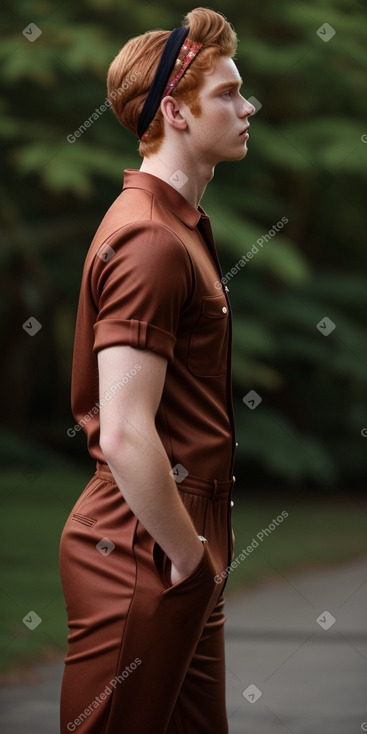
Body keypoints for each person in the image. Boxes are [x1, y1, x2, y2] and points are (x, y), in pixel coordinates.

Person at [59, 7, 255, 733]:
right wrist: (187, 560)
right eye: (229, 94)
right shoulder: (148, 239)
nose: (246, 108)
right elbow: (124, 432)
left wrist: (197, 563)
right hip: (142, 551)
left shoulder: (177, 227)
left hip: (177, 549)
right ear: (174, 111)